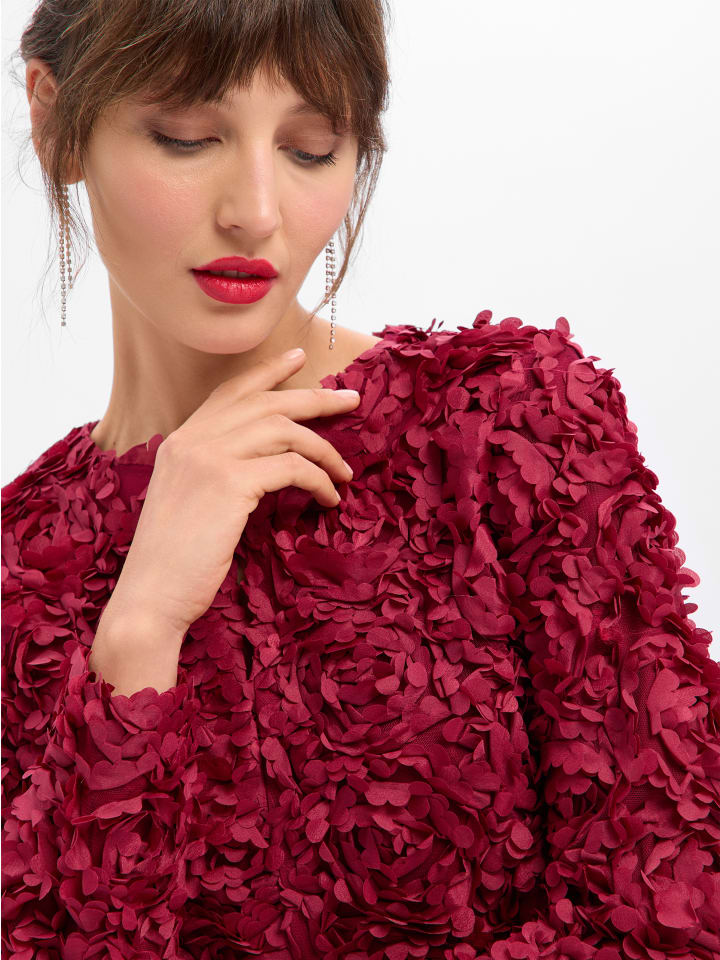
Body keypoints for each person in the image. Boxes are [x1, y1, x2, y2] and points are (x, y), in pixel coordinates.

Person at [2, 2, 719, 958]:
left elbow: (675, 916)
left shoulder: (505, 426)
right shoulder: (20, 568)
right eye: (186, 136)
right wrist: (139, 632)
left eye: (310, 149)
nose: (256, 210)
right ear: (54, 121)